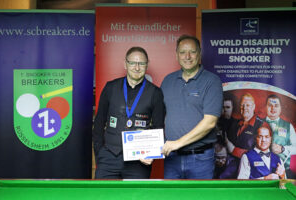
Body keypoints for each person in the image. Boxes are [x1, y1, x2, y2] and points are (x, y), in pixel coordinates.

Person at [92, 46, 165, 179]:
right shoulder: (110, 87)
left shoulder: (155, 93)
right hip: (108, 157)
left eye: (141, 63)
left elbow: (159, 127)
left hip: (138, 162)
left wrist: (150, 153)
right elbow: (98, 123)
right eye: (132, 63)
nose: (137, 67)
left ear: (147, 65)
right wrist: (100, 153)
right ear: (125, 64)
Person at [160, 34, 223, 179]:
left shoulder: (212, 81)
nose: (187, 56)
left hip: (201, 159)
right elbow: (158, 116)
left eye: (192, 52)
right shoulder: (168, 81)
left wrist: (177, 143)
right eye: (182, 52)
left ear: (199, 53)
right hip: (172, 158)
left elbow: (210, 122)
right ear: (176, 55)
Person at [220, 93, 263, 179]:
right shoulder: (235, 124)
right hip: (232, 165)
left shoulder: (261, 125)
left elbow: (260, 153)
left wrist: (234, 150)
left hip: (252, 169)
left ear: (254, 107)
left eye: (248, 105)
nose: (244, 108)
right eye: (242, 105)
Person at [264, 94, 296, 178]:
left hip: (283, 172)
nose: (273, 108)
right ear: (265, 107)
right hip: (261, 170)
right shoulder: (258, 123)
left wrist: (283, 149)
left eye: (276, 106)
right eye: (270, 105)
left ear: (280, 108)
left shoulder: (288, 126)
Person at [214, 93, 236, 178]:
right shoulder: (212, 123)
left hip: (231, 163)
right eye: (222, 107)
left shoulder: (238, 125)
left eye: (228, 107)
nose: (225, 110)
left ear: (232, 108)